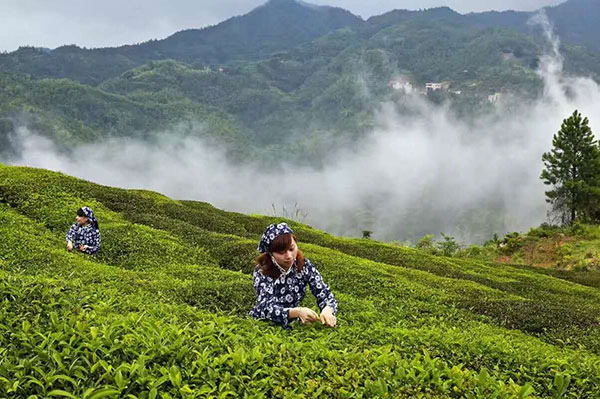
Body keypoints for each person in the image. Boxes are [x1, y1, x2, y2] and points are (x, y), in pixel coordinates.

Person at [249, 222, 338, 329]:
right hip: (264, 325)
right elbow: (265, 308)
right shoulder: (262, 271)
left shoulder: (304, 265)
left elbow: (324, 293)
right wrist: (296, 312)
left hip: (294, 325)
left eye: (292, 249)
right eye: (281, 252)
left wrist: (327, 310)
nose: (289, 256)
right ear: (271, 253)